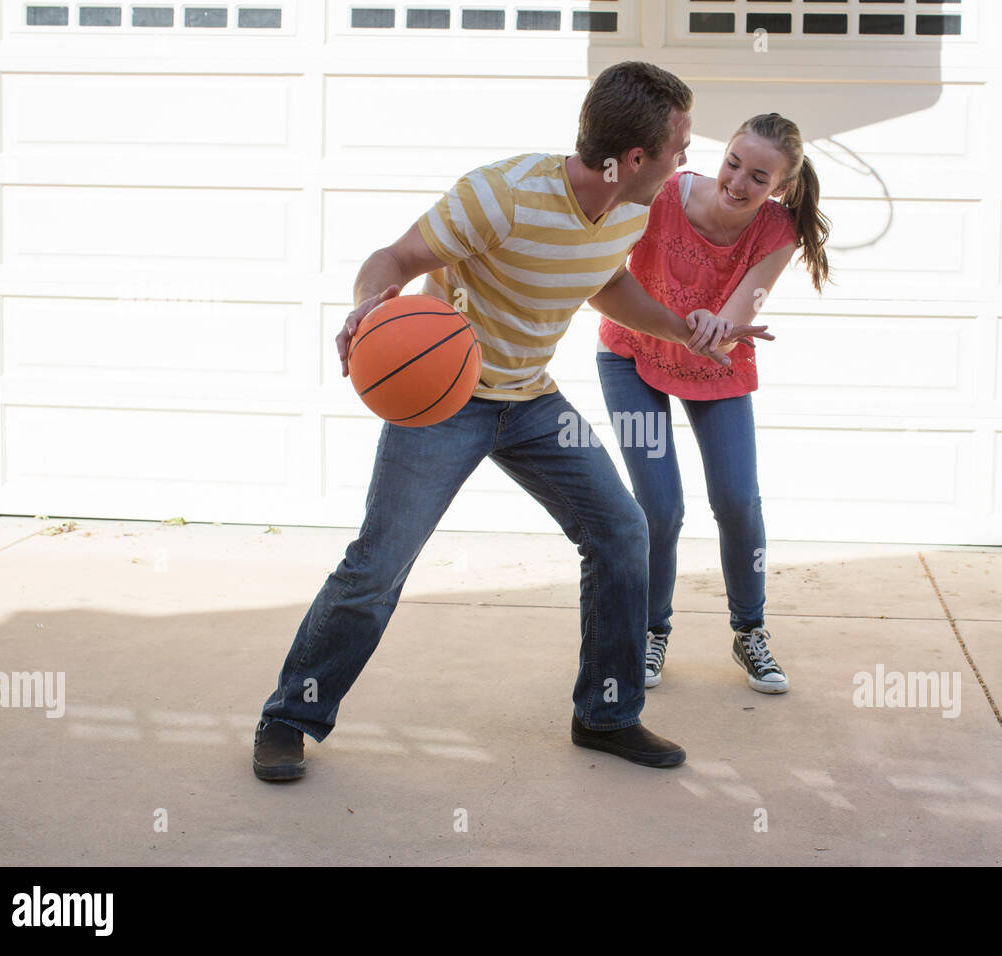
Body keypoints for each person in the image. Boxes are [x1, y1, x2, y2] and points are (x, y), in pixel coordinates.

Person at [251, 62, 772, 781]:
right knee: (378, 565)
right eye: (678, 147)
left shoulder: (631, 207)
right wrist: (368, 302)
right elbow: (394, 257)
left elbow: (607, 281)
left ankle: (606, 713)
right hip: (446, 399)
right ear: (632, 160)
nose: (689, 162)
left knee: (622, 532)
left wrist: (685, 331)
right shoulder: (502, 196)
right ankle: (288, 718)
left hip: (530, 402)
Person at [596, 112, 830, 695]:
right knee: (661, 509)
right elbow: (605, 264)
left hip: (717, 363)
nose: (738, 182)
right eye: (733, 163)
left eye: (758, 176)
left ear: (778, 186)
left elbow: (742, 312)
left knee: (737, 500)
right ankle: (651, 632)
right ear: (720, 155)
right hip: (632, 356)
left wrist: (717, 324)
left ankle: (749, 631)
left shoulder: (776, 230)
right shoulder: (666, 193)